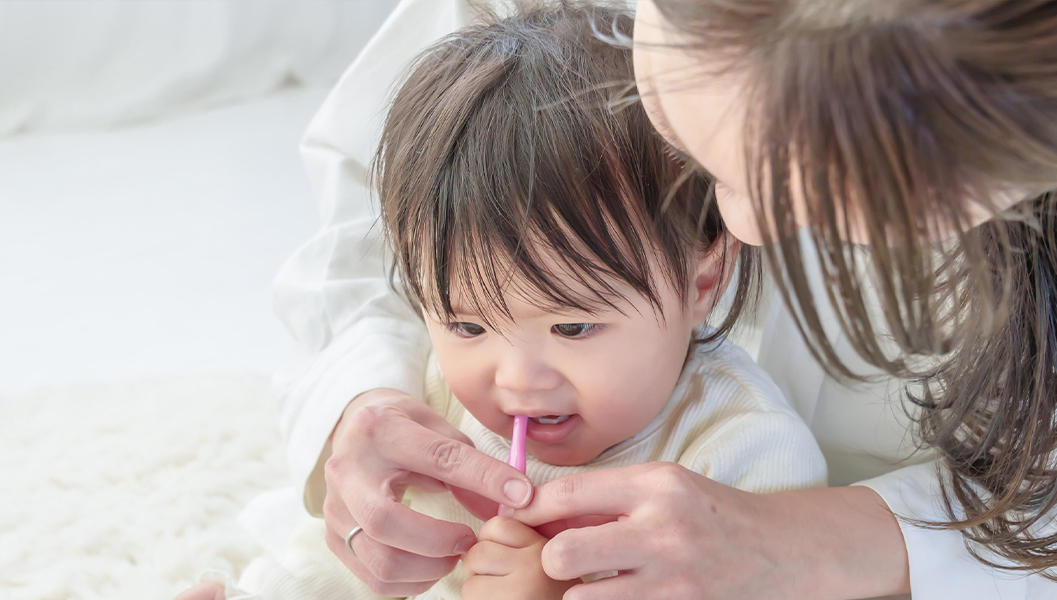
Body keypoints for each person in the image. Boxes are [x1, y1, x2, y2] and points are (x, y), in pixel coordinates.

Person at [208, 0, 1056, 599]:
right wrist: (356, 395)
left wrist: (833, 543)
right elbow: (386, 190)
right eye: (704, 151)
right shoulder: (455, 392)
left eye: (845, 195)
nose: (740, 228)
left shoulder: (742, 444)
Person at [176, 5, 825, 599]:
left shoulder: (747, 453)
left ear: (702, 280)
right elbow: (337, 557)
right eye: (464, 323)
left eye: (572, 325)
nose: (514, 378)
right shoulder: (433, 400)